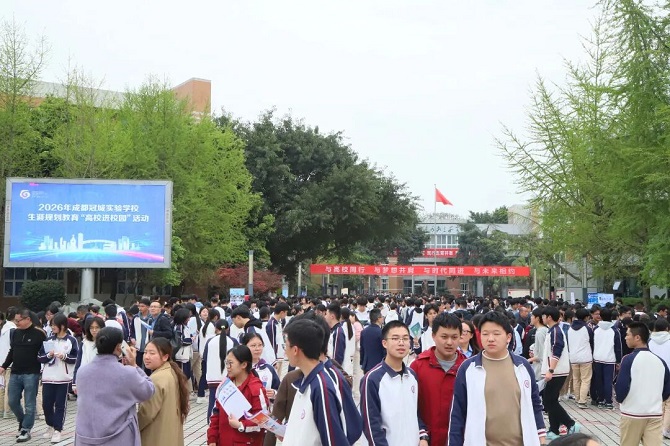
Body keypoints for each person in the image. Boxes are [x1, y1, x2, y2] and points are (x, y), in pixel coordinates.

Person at [449, 310, 546, 446]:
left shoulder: (523, 366)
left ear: (508, 337)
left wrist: (541, 436)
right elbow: (458, 412)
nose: (490, 339)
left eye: (496, 334)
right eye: (485, 334)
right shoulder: (468, 368)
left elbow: (535, 402)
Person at [74, 327, 154, 445]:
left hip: (85, 437)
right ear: (119, 347)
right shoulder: (127, 373)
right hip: (119, 437)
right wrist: (134, 365)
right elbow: (148, 390)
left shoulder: (82, 372)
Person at [281, 319, 349, 445]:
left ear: (295, 350)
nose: (284, 351)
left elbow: (333, 440)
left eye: (285, 346)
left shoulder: (321, 388)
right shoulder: (307, 381)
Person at [361, 320, 428, 446]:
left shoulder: (412, 376)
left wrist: (422, 436)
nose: (401, 343)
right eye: (395, 338)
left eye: (405, 338)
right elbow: (371, 426)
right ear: (384, 343)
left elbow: (415, 413)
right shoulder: (372, 379)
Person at [411, 313, 466, 446]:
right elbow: (409, 407)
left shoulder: (467, 368)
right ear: (433, 336)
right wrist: (421, 433)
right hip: (426, 440)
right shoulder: (418, 366)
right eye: (444, 337)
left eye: (454, 337)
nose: (449, 342)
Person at [615, 321, 670, 446]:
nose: (625, 337)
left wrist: (621, 400)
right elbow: (667, 390)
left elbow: (621, 387)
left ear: (637, 337)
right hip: (654, 414)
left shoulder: (628, 359)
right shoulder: (660, 361)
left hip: (632, 413)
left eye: (628, 335)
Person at [206, 345, 269, 446]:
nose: (227, 367)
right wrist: (212, 438)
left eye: (230, 363)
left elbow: (263, 420)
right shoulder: (225, 386)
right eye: (226, 363)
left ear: (244, 364)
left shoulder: (255, 388)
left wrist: (241, 425)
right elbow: (215, 415)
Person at [0, 308, 47, 442]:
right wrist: (3, 366)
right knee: (12, 401)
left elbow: (46, 353)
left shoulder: (39, 334)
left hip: (32, 373)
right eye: (15, 320)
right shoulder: (15, 333)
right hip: (15, 372)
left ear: (28, 319)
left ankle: (26, 429)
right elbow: (12, 351)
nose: (16, 323)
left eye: (18, 320)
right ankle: (22, 421)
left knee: (29, 404)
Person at [138, 338, 190, 446]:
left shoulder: (157, 379)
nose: (146, 357)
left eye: (152, 353)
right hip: (170, 435)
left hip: (156, 437)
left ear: (165, 357)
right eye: (145, 352)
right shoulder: (171, 371)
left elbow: (146, 414)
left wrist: (132, 427)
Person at [37, 313, 78, 443]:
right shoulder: (49, 340)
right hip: (48, 377)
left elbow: (76, 359)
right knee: (46, 404)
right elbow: (40, 357)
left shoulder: (71, 340)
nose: (52, 327)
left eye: (54, 325)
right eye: (51, 325)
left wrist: (64, 357)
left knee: (60, 405)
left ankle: (57, 430)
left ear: (63, 326)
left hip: (63, 378)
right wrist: (49, 355)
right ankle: (50, 425)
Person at [542, 306, 579, 440]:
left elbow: (557, 350)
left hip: (556, 371)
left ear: (549, 317)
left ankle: (571, 424)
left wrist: (551, 369)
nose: (542, 318)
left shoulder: (556, 331)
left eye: (544, 316)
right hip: (555, 370)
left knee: (549, 400)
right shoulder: (553, 330)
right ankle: (553, 429)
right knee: (551, 400)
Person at [202, 319, 237, 422]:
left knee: (212, 402)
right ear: (228, 328)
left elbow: (205, 358)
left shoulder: (210, 341)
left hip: (213, 377)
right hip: (229, 378)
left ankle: (210, 423)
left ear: (215, 329)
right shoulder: (233, 341)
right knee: (229, 403)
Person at [592, 307, 622, 409]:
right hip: (610, 359)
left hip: (597, 358)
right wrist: (618, 361)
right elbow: (618, 347)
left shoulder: (596, 329)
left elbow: (592, 344)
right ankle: (608, 401)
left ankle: (600, 400)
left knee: (599, 380)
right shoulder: (615, 330)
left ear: (601, 316)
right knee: (608, 381)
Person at [567, 308, 594, 409]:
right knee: (585, 380)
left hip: (573, 357)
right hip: (585, 357)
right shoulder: (587, 328)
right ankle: (582, 401)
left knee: (576, 379)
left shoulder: (570, 329)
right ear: (586, 317)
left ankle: (577, 398)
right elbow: (592, 342)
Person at [241, 333, 280, 400]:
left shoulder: (269, 369)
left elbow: (279, 389)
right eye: (253, 345)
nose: (257, 348)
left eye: (260, 345)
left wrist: (274, 393)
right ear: (244, 347)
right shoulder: (239, 369)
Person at [649, 317, 670, 438]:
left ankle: (656, 427)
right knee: (669, 404)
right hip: (669, 374)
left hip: (654, 374)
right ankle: (665, 429)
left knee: (658, 402)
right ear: (667, 328)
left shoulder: (650, 341)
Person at [73, 316, 105, 391]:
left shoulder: (106, 343)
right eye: (91, 328)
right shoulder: (84, 343)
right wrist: (75, 382)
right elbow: (78, 363)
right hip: (85, 377)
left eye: (97, 327)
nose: (94, 330)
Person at [0, 307, 17, 419]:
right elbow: (13, 347)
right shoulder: (12, 329)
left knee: (2, 387)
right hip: (9, 363)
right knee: (8, 388)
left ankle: (1, 410)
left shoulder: (3, 329)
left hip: (1, 362)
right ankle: (7, 411)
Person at [360, 309, 385, 374]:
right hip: (379, 365)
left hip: (367, 364)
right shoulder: (382, 332)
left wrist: (361, 362)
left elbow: (362, 349)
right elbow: (384, 350)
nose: (383, 318)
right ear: (378, 319)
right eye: (382, 316)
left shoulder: (364, 331)